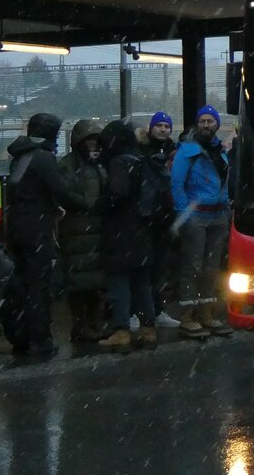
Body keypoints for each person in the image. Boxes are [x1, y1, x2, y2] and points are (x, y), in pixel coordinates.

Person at [5, 112, 85, 357]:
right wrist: (85, 203)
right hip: (36, 229)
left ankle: (19, 336)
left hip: (16, 227)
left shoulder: (20, 156)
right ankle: (40, 338)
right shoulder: (44, 158)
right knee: (38, 285)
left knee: (20, 282)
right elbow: (60, 191)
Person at [170, 105, 232, 340]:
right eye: (203, 121)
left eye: (210, 121)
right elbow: (177, 184)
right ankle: (188, 316)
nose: (207, 125)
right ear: (198, 124)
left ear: (216, 124)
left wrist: (226, 209)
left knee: (211, 267)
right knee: (193, 266)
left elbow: (224, 183)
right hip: (197, 216)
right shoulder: (187, 151)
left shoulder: (219, 150)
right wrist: (185, 213)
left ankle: (206, 313)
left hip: (217, 215)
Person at [96, 120, 156, 352]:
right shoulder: (139, 159)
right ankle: (148, 330)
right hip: (141, 230)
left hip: (121, 232)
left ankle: (121, 332)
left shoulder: (118, 161)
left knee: (119, 282)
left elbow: (117, 195)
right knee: (142, 283)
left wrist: (100, 204)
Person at [57, 119, 108, 343]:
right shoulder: (68, 165)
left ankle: (93, 322)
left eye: (96, 141)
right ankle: (81, 325)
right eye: (88, 140)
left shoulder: (98, 164)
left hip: (95, 231)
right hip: (78, 231)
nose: (92, 144)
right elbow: (66, 194)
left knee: (95, 283)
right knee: (79, 284)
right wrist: (90, 205)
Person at [138, 112, 180, 329]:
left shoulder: (174, 152)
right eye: (159, 125)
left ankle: (156, 310)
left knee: (159, 268)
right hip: (148, 218)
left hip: (164, 218)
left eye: (166, 126)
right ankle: (142, 312)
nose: (163, 129)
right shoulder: (142, 153)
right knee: (145, 268)